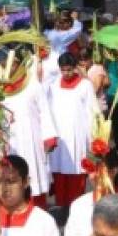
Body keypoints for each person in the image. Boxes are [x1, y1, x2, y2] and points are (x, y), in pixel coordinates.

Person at [1, 55, 58, 207]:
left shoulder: (33, 85)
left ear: (19, 65)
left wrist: (49, 137)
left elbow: (45, 111)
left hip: (32, 140)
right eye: (5, 64)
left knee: (33, 175)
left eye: (12, 64)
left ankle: (36, 209)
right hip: (10, 142)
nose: (9, 68)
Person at [48, 53, 100, 210]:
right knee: (58, 171)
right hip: (59, 136)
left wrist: (94, 137)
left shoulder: (85, 85)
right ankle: (60, 205)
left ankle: (75, 207)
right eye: (63, 70)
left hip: (77, 134)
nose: (66, 74)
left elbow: (93, 112)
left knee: (76, 171)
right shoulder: (53, 85)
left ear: (76, 68)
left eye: (69, 70)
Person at [64, 150, 118, 236]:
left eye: (98, 171)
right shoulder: (79, 204)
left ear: (114, 171)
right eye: (90, 170)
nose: (92, 176)